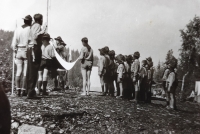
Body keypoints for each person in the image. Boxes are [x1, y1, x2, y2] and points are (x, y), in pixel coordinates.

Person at [26, 14, 47, 98]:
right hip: (34, 49)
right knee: (34, 70)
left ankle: (30, 90)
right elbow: (35, 36)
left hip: (31, 48)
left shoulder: (32, 26)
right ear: (40, 20)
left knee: (30, 70)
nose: (42, 21)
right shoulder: (37, 25)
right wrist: (43, 30)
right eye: (42, 19)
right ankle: (31, 91)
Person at [11, 15, 32, 96]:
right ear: (30, 21)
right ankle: (23, 90)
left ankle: (18, 90)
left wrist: (15, 50)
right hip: (26, 50)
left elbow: (14, 42)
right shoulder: (29, 29)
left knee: (18, 71)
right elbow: (30, 41)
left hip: (19, 50)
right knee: (25, 72)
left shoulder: (18, 29)